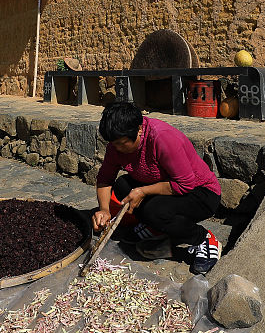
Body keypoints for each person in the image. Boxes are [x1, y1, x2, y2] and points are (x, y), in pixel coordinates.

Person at [92, 101, 222, 274]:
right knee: (122, 185)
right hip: (167, 188)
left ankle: (203, 239)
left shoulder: (162, 138)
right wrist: (104, 210)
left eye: (122, 144)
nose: (117, 149)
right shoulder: (116, 145)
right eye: (114, 144)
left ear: (139, 130)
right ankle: (155, 227)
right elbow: (105, 178)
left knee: (155, 211)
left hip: (201, 193)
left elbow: (185, 184)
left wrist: (142, 191)